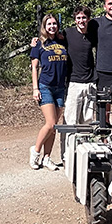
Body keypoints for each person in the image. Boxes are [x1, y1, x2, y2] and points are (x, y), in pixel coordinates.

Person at [29, 14, 68, 170]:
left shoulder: (63, 41)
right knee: (50, 123)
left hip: (60, 87)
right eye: (49, 24)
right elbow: (34, 67)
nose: (52, 26)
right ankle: (36, 151)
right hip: (45, 86)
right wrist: (35, 88)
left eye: (54, 24)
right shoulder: (39, 44)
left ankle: (47, 158)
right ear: (44, 26)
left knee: (54, 126)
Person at [60, 5, 97, 166]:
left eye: (84, 18)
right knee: (70, 120)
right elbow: (50, 38)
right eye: (78, 18)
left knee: (87, 120)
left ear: (88, 19)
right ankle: (67, 155)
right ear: (75, 19)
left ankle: (83, 153)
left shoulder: (92, 35)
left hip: (90, 82)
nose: (81, 21)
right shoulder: (67, 34)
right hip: (74, 82)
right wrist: (36, 42)